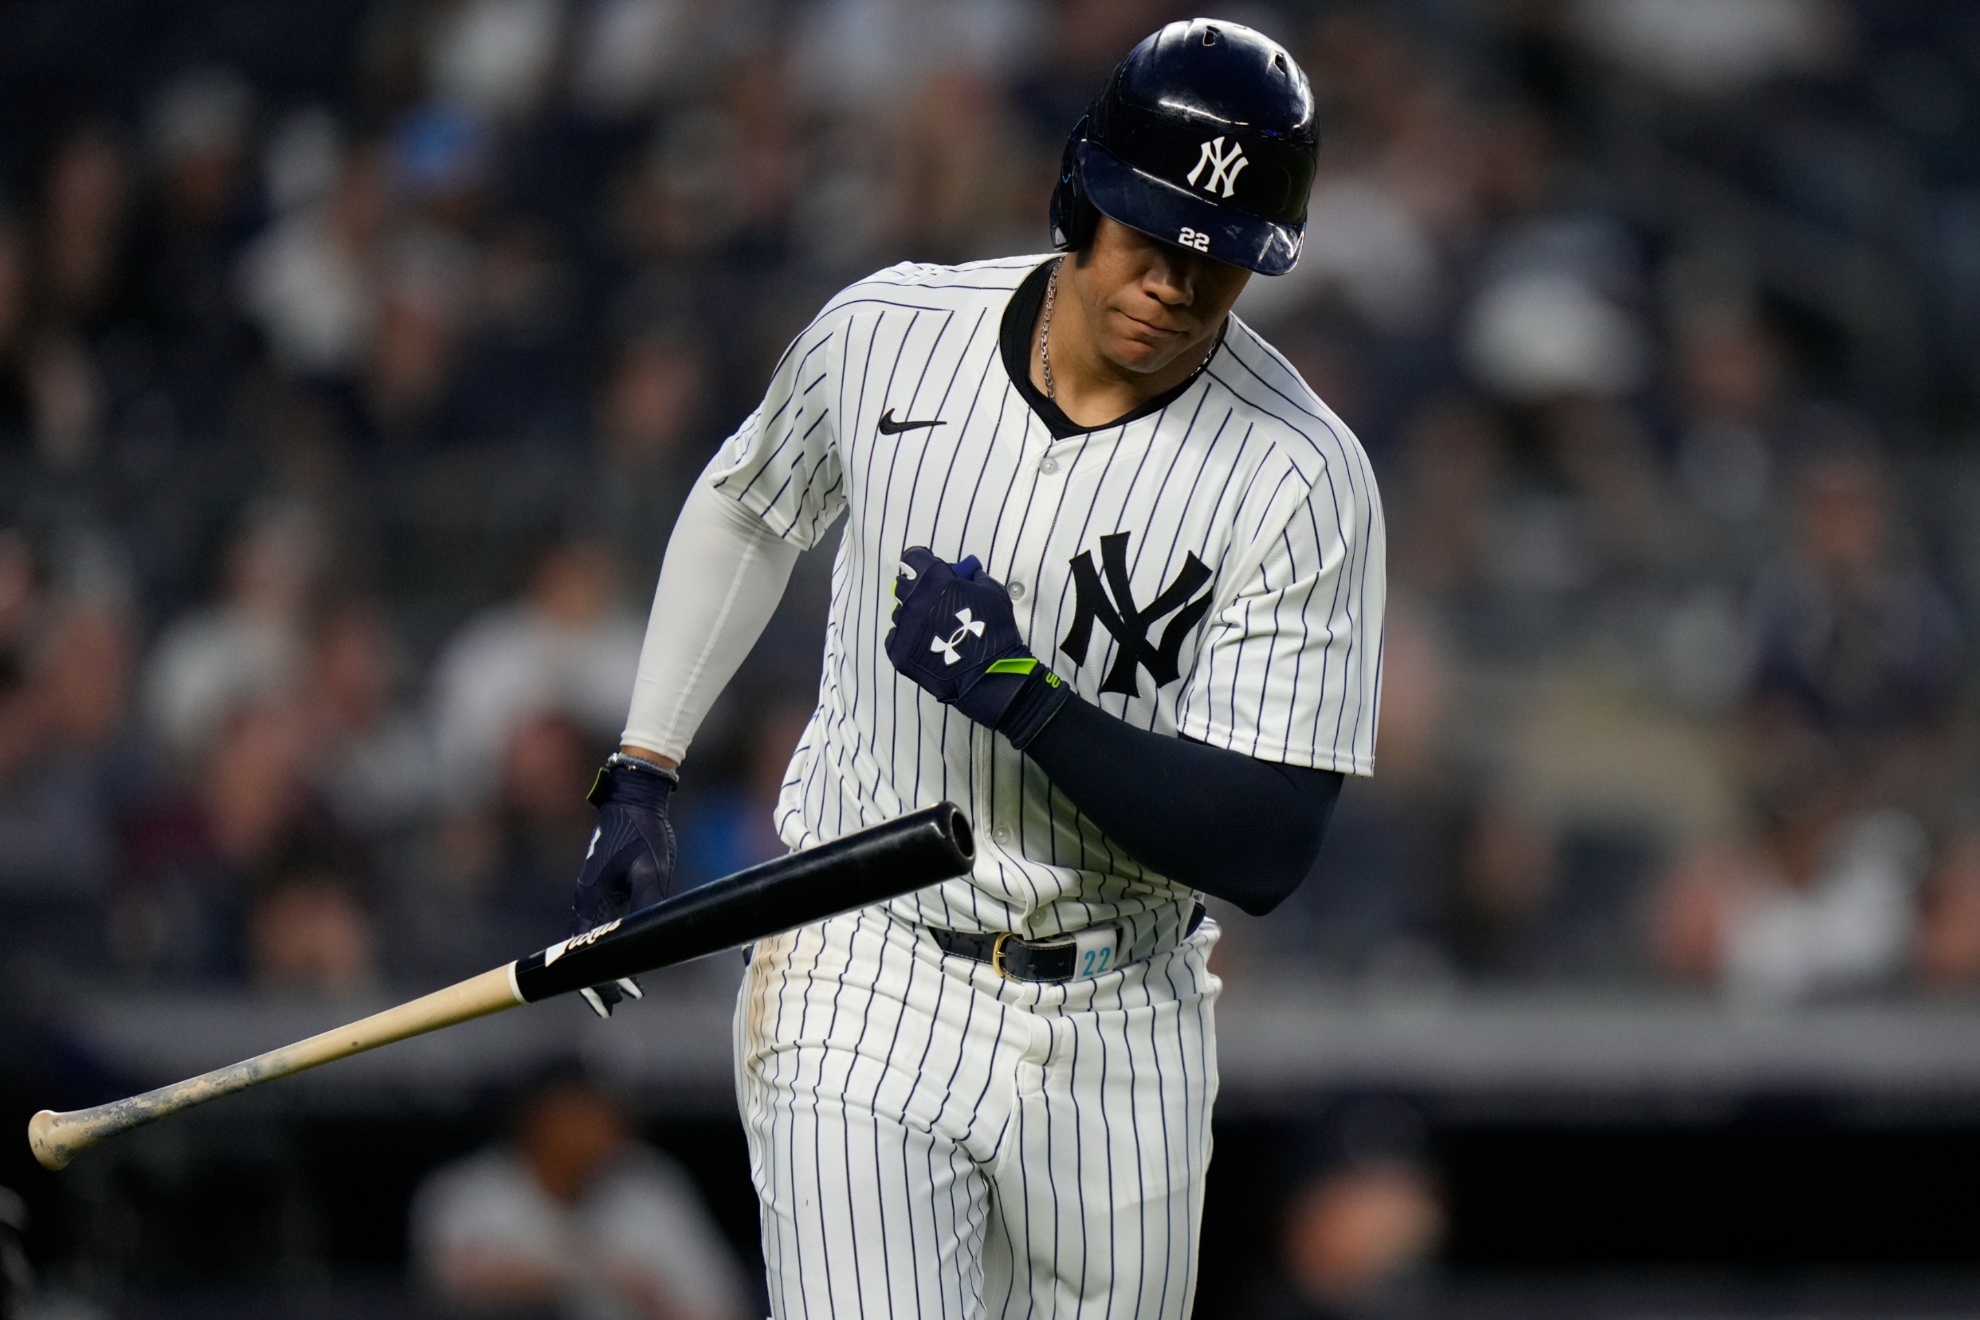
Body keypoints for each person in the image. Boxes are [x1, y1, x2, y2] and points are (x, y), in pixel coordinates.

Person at [567, 20, 1385, 1318]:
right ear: (1079, 195)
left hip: (1126, 1007)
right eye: (1150, 237)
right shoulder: (888, 333)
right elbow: (749, 507)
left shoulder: (1301, 474)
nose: (1176, 282)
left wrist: (1024, 698)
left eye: (1219, 261)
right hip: (865, 965)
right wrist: (643, 768)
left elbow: (1268, 841)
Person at [411, 1072, 751, 1320]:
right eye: (581, 1119)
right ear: (537, 1122)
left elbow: (721, 1306)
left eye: (605, 1119)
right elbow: (455, 1278)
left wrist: (654, 1300)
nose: (599, 1134)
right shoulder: (471, 1188)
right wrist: (597, 1273)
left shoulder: (650, 1186)